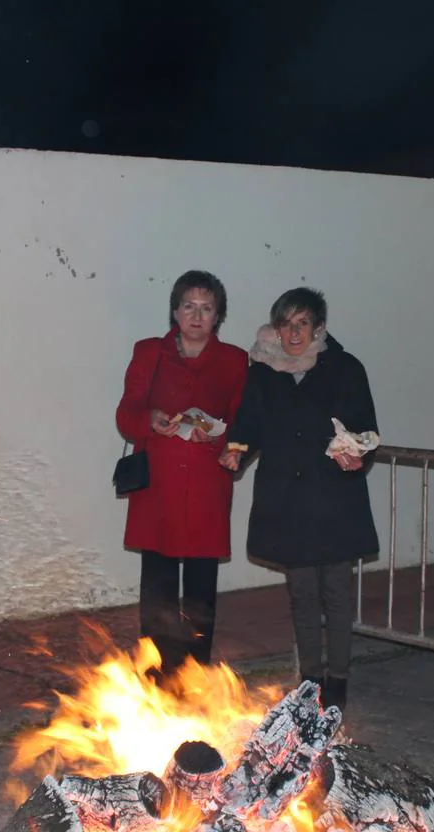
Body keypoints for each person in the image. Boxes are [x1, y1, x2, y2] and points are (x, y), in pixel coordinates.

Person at [219, 287, 378, 712]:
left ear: (318, 327)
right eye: (286, 323)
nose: (293, 332)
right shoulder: (264, 372)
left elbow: (366, 429)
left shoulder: (345, 368)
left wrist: (358, 454)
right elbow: (248, 423)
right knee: (303, 593)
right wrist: (237, 450)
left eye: (302, 323)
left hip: (334, 499)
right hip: (287, 499)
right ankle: (311, 681)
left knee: (338, 593)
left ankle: (338, 681)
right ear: (276, 328)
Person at [116, 270, 249, 680]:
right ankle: (156, 676)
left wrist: (228, 444)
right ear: (175, 311)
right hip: (159, 487)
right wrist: (150, 419)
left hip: (207, 486)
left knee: (199, 590)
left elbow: (245, 423)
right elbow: (126, 413)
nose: (197, 315)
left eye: (206, 308)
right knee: (157, 585)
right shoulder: (148, 353)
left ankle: (194, 676)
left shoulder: (234, 361)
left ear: (218, 316)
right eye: (189, 306)